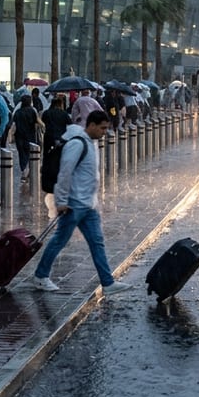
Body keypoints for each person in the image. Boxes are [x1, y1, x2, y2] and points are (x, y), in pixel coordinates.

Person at [32, 110, 132, 295]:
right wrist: (61, 201)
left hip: (88, 205)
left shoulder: (90, 143)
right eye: (102, 128)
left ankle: (107, 283)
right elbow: (65, 173)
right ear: (91, 125)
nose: (104, 132)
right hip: (73, 203)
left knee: (97, 242)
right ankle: (40, 276)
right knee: (59, 240)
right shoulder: (77, 143)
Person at [10, 95, 42, 176]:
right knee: (29, 154)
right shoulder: (32, 111)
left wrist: (12, 136)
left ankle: (23, 169)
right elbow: (38, 122)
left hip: (19, 136)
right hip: (30, 136)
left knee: (21, 154)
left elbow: (14, 125)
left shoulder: (17, 112)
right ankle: (27, 170)